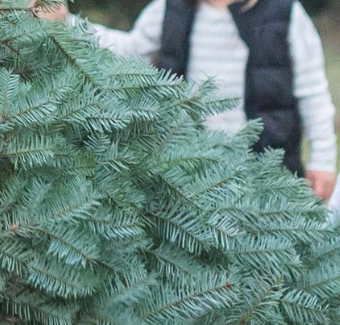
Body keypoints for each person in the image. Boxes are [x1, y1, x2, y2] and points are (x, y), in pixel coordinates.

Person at [33, 0, 337, 202]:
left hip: (266, 163)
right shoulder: (170, 8)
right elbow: (130, 50)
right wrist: (68, 23)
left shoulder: (284, 12)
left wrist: (323, 160)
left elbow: (312, 91)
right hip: (189, 165)